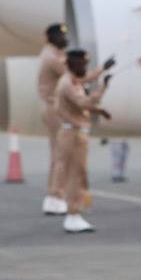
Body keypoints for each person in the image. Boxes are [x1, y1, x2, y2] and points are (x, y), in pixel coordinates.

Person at [37, 23, 112, 216]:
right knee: (62, 156)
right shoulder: (53, 58)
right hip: (57, 110)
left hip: (54, 107)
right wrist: (101, 73)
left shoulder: (53, 54)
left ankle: (55, 197)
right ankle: (56, 197)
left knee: (60, 156)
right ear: (51, 37)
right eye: (61, 36)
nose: (65, 39)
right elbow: (78, 79)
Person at [52, 48, 111, 234]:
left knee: (78, 173)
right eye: (82, 64)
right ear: (72, 64)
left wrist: (103, 69)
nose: (85, 68)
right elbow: (84, 103)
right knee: (75, 174)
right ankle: (73, 214)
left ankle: (75, 211)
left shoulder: (72, 79)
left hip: (74, 133)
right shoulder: (68, 83)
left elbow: (86, 80)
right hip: (73, 135)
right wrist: (103, 88)